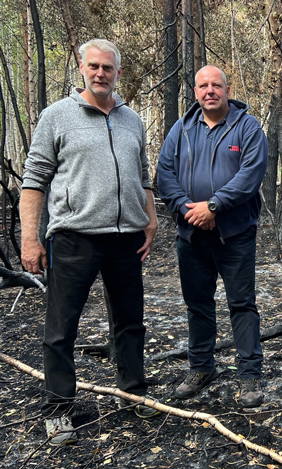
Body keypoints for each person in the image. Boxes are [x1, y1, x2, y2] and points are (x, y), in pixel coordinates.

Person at [20, 39, 160, 445]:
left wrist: (149, 220)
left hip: (125, 240)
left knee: (131, 322)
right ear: (81, 67)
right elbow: (34, 181)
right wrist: (31, 239)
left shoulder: (132, 119)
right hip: (73, 238)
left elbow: (143, 175)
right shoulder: (57, 117)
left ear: (118, 72)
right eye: (94, 66)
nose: (101, 73)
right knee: (61, 327)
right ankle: (59, 411)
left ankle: (132, 393)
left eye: (108, 68)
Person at [157, 65, 268, 408]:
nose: (210, 91)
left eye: (216, 85)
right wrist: (189, 210)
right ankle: (202, 367)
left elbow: (250, 175)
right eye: (203, 86)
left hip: (234, 235)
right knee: (197, 305)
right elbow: (164, 173)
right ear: (195, 91)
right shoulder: (182, 129)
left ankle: (249, 374)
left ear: (226, 88)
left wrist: (214, 206)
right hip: (191, 235)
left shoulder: (247, 127)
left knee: (242, 305)